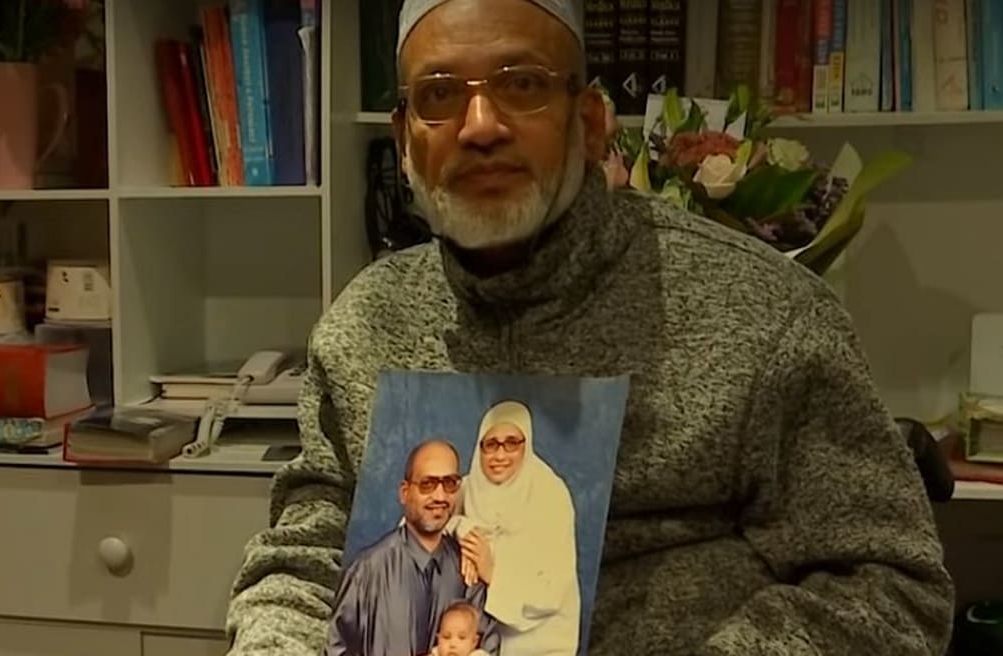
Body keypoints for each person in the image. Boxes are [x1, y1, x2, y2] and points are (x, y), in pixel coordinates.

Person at [224, 0, 955, 654]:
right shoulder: (364, 326)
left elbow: (891, 589)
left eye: (522, 84)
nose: (480, 127)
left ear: (591, 122)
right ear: (407, 139)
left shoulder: (763, 315)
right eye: (441, 96)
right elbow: (310, 554)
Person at [321, 440, 500, 656]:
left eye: (450, 483)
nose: (440, 496)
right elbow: (336, 650)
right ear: (404, 492)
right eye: (428, 484)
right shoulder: (367, 573)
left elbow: (489, 647)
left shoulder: (468, 576)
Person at [446, 400, 580, 656]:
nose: (499, 456)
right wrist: (462, 527)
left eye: (511, 443)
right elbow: (418, 522)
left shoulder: (550, 495)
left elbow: (553, 591)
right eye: (491, 445)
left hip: (540, 643)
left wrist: (492, 571)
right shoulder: (470, 486)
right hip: (479, 642)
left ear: (526, 444)